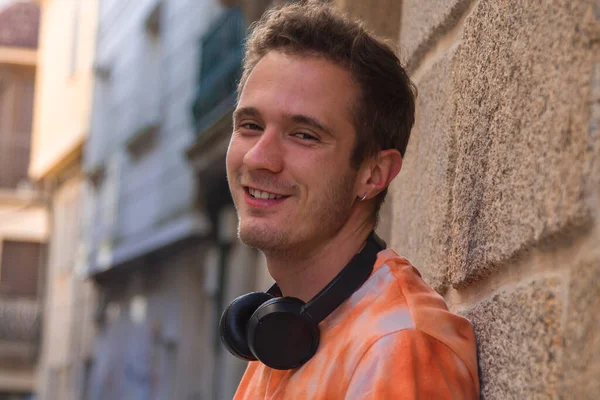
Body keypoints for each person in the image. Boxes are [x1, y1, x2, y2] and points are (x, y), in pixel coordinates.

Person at [223, 1, 480, 398]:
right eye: (251, 126)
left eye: (304, 135)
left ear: (373, 174)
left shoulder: (396, 346)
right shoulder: (286, 332)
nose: (259, 158)